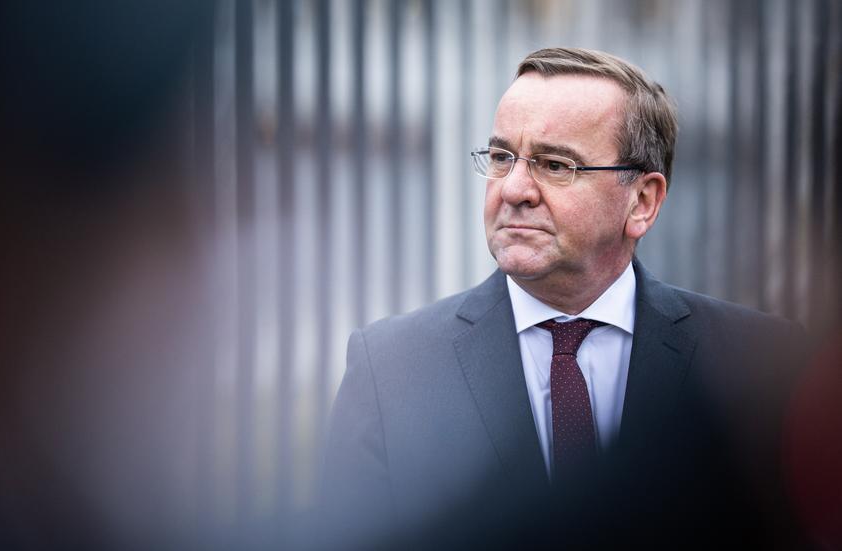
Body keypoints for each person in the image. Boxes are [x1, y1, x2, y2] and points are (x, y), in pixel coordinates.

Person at [319, 47, 808, 549]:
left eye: (555, 165)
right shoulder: (390, 370)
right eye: (502, 158)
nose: (514, 190)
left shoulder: (760, 365)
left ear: (642, 202)